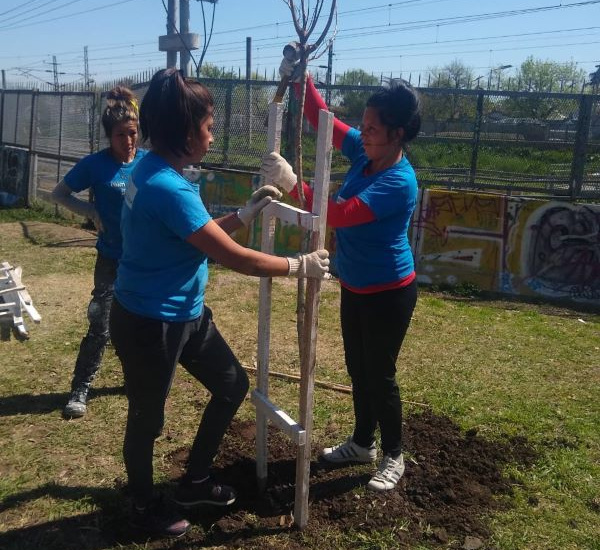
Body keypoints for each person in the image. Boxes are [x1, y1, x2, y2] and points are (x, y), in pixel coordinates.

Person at [108, 68, 330, 538]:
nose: (212, 138)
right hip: (151, 322)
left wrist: (244, 213)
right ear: (186, 132)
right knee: (147, 418)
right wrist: (298, 266)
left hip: (185, 314)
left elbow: (194, 235)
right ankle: (144, 504)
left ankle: (194, 481)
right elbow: (235, 258)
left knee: (231, 386)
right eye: (209, 128)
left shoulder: (148, 169)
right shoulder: (165, 186)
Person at [261, 58, 421, 493]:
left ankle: (393, 455)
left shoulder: (398, 181)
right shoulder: (365, 153)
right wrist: (302, 78)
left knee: (379, 373)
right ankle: (361, 443)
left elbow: (340, 215)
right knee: (356, 367)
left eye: (372, 127)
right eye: (364, 125)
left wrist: (294, 183)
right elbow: (322, 119)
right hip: (355, 285)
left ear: (397, 135)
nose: (362, 132)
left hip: (390, 291)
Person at [52, 86, 146, 419]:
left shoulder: (148, 163)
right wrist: (90, 213)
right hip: (110, 258)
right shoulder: (95, 165)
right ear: (110, 136)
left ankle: (135, 381)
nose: (129, 141)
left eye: (133, 133)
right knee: (100, 326)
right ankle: (80, 389)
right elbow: (59, 194)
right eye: (121, 134)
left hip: (143, 262)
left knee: (139, 325)